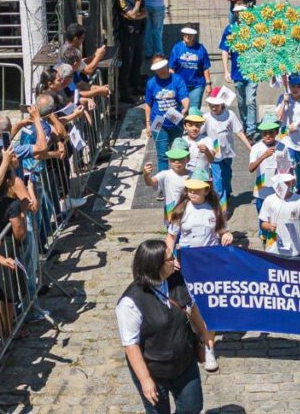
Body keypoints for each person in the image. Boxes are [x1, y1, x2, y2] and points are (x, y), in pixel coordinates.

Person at [117, 239, 211, 414]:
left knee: (193, 407)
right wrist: (145, 380)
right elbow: (131, 345)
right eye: (170, 259)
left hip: (184, 363)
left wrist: (204, 335)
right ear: (155, 266)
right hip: (154, 371)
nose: (175, 261)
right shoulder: (130, 302)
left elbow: (192, 307)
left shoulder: (177, 279)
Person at [165, 175, 230, 370]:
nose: (192, 193)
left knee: (209, 305)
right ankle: (194, 339)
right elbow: (171, 237)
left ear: (206, 190)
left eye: (196, 190)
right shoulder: (181, 210)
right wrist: (170, 257)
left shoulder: (214, 209)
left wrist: (227, 234)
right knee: (189, 305)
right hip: (188, 264)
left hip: (210, 264)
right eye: (190, 189)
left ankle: (210, 347)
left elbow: (221, 231)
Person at [203, 87, 252, 211]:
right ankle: (221, 208)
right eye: (211, 105)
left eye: (216, 105)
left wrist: (250, 148)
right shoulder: (207, 117)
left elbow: (239, 132)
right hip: (214, 154)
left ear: (222, 104)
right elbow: (200, 133)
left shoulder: (230, 115)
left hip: (228, 152)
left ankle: (227, 192)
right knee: (218, 179)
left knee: (227, 175)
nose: (213, 108)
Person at [145, 56, 190, 173]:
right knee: (162, 155)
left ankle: (178, 178)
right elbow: (148, 104)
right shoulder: (151, 83)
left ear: (166, 65)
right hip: (157, 120)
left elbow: (184, 96)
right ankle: (163, 183)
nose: (160, 70)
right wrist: (148, 125)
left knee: (178, 153)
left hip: (175, 119)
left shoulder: (177, 79)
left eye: (162, 66)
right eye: (157, 68)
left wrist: (185, 107)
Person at [219, 9, 259, 138]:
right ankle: (246, 124)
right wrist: (226, 70)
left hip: (253, 72)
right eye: (238, 12)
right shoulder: (230, 29)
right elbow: (225, 50)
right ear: (235, 14)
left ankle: (251, 130)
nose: (241, 15)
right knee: (241, 102)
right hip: (237, 72)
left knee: (250, 100)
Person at [259, 174, 300, 258]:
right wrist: (269, 226)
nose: (285, 186)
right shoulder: (269, 200)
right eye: (282, 184)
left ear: (292, 183)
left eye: (287, 183)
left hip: (294, 249)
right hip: (274, 249)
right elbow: (263, 223)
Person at [144, 138, 191, 220]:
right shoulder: (165, 174)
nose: (177, 162)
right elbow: (150, 182)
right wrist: (146, 175)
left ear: (188, 159)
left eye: (180, 159)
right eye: (173, 159)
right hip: (171, 213)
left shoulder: (192, 176)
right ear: (169, 159)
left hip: (188, 214)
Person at [118, 0, 148, 102]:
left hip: (138, 33)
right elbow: (132, 14)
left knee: (137, 62)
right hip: (128, 37)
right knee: (127, 65)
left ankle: (135, 86)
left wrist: (135, 16)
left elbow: (145, 12)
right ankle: (125, 92)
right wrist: (138, 3)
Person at [169, 26, 212, 112]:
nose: (188, 36)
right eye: (186, 34)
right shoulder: (177, 48)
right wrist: (172, 84)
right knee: (178, 111)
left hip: (197, 85)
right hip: (180, 86)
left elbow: (205, 67)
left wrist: (208, 84)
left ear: (194, 35)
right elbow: (171, 68)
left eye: (190, 34)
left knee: (193, 110)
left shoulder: (201, 49)